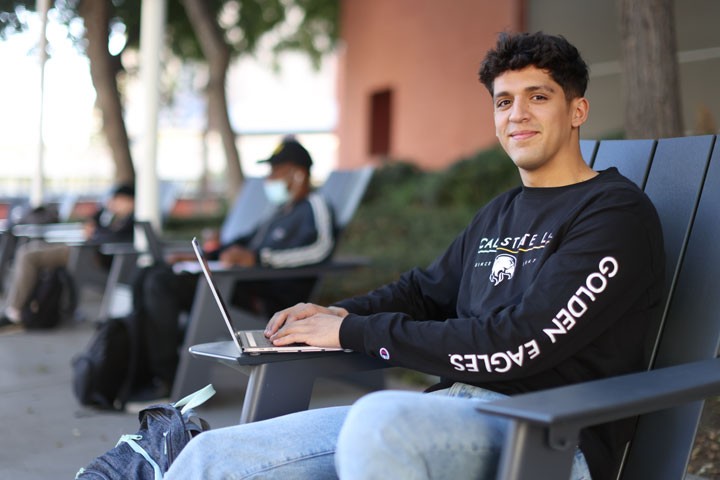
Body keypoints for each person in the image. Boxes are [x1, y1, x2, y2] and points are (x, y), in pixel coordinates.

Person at [164, 32, 665, 480]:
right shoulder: (500, 212)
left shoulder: (613, 215)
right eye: (504, 101)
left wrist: (353, 333)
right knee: (212, 456)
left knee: (377, 421)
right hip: (447, 413)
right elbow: (423, 291)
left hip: (550, 435)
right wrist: (340, 313)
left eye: (539, 97)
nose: (518, 114)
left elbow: (518, 344)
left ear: (577, 110)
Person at [130, 137, 336, 400]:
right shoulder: (279, 212)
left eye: (275, 171)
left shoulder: (315, 206)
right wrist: (204, 255)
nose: (269, 178)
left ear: (297, 174)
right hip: (242, 286)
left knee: (161, 283)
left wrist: (261, 259)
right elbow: (242, 244)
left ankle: (166, 379)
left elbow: (321, 249)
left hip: (267, 301)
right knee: (151, 272)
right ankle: (141, 372)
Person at [0, 184, 136, 329]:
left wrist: (95, 232)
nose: (114, 203)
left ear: (131, 201)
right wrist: (103, 214)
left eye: (119, 200)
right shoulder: (112, 216)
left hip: (89, 256)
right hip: (83, 250)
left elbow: (109, 237)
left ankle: (15, 312)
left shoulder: (131, 219)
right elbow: (93, 225)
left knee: (29, 255)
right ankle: (21, 308)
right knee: (29, 250)